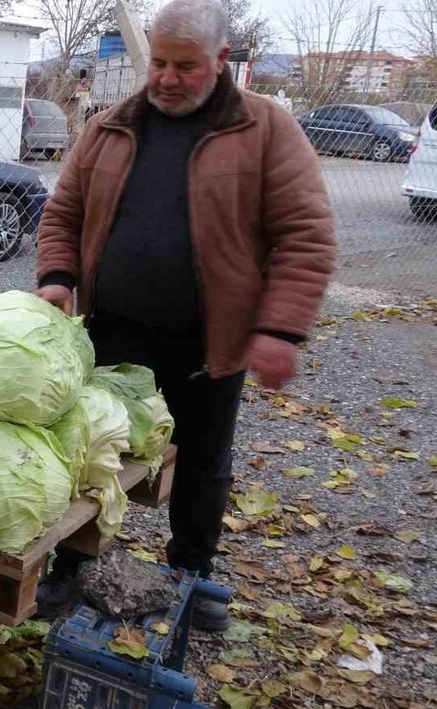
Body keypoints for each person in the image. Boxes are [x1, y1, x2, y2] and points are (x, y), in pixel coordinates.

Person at [33, 0, 337, 630]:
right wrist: (58, 278)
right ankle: (69, 567)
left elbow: (307, 234)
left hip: (207, 344)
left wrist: (279, 329)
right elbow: (63, 212)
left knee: (201, 465)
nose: (167, 77)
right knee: (88, 458)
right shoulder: (111, 126)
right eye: (160, 63)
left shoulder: (265, 130)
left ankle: (191, 575)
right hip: (112, 334)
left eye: (186, 66)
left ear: (221, 61)